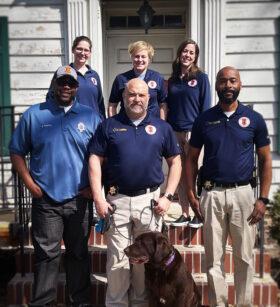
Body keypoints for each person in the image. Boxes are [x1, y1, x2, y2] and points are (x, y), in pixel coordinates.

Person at [9, 65, 101, 306]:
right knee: (47, 256)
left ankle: (79, 302)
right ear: (54, 84)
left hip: (79, 199)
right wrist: (30, 185)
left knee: (78, 254)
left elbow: (104, 155)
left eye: (71, 83)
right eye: (62, 82)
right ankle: (43, 302)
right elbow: (16, 152)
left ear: (77, 87)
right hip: (46, 200)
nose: (66, 87)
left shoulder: (90, 117)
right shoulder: (35, 115)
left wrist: (95, 189)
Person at [88, 78, 181, 306]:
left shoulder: (162, 127)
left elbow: (176, 162)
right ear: (123, 97)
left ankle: (140, 302)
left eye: (141, 95)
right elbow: (94, 159)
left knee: (145, 260)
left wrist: (168, 196)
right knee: (118, 260)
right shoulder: (108, 126)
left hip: (150, 202)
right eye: (131, 94)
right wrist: (99, 198)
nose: (136, 99)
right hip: (116, 202)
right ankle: (117, 303)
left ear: (149, 99)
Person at [186, 66, 273, 307]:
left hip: (243, 195)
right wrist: (192, 194)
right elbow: (191, 159)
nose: (228, 85)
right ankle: (219, 304)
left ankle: (244, 304)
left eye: (232, 81)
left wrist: (263, 199)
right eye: (223, 81)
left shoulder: (253, 119)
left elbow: (266, 160)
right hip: (211, 194)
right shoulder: (204, 119)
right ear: (216, 86)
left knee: (244, 258)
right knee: (213, 260)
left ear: (240, 85)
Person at [165, 39, 211, 228]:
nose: (187, 55)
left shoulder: (201, 78)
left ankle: (198, 213)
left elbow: (205, 107)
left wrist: (203, 132)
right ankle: (184, 213)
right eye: (185, 51)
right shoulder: (173, 80)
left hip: (193, 132)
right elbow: (166, 106)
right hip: (174, 132)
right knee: (180, 174)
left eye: (191, 52)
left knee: (194, 173)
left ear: (195, 57)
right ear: (179, 53)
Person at [48, 36, 105, 119]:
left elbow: (100, 102)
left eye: (86, 50)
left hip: (92, 123)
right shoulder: (63, 73)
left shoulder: (94, 75)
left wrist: (102, 121)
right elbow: (51, 97)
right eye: (79, 49)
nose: (83, 53)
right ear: (73, 50)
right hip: (71, 123)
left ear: (90, 53)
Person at [108, 41, 167, 119]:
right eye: (136, 56)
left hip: (151, 126)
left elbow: (163, 105)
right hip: (126, 125)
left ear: (149, 59)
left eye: (143, 56)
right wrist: (113, 125)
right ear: (131, 57)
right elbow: (112, 105)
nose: (139, 59)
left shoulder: (158, 78)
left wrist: (162, 126)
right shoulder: (121, 79)